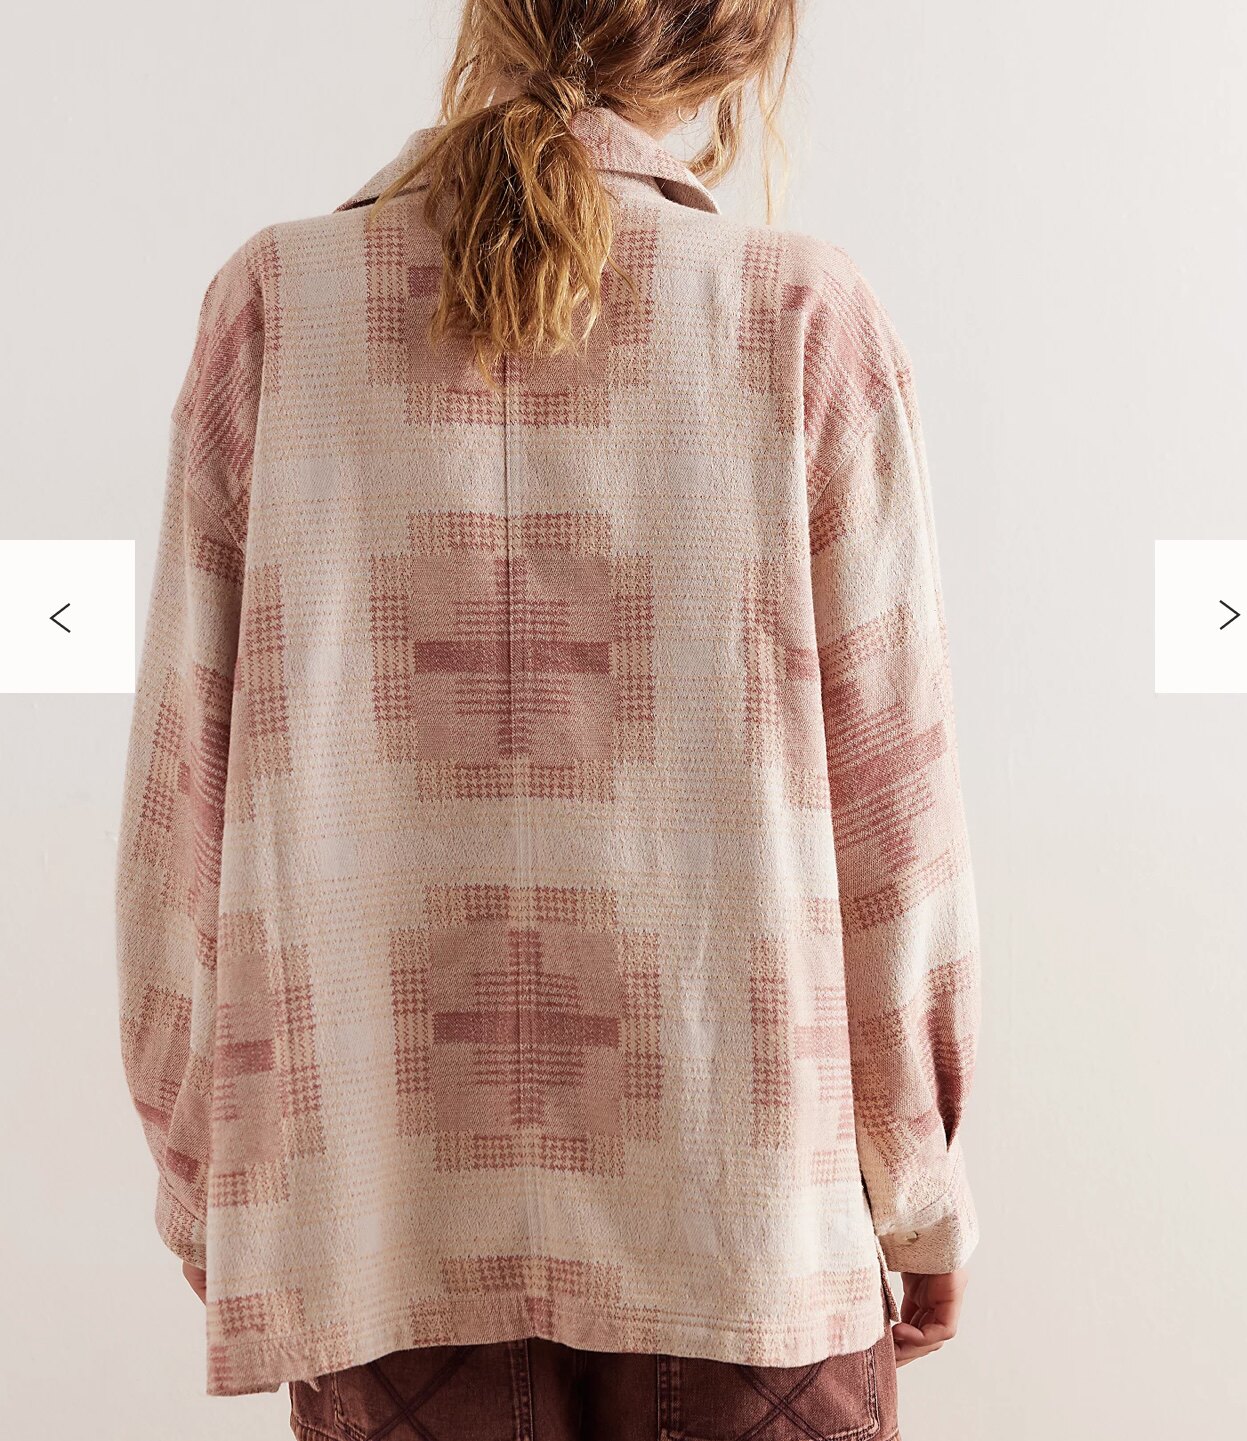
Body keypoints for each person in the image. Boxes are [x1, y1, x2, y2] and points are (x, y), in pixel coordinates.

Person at [114, 1, 982, 1435]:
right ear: (737, 51)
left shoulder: (276, 306)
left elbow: (179, 802)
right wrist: (919, 1186)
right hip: (745, 1231)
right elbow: (897, 820)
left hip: (387, 1236)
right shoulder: (799, 314)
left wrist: (214, 1182)